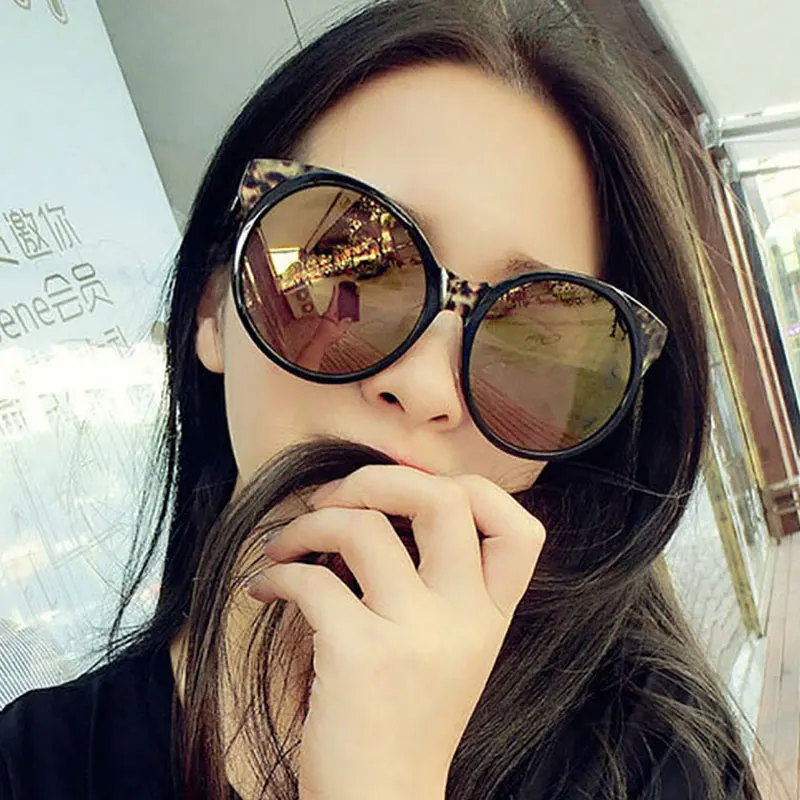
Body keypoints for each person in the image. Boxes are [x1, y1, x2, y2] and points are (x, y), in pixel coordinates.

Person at [0, 0, 765, 797]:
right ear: (213, 310)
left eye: (536, 341)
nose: (425, 386)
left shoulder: (655, 757)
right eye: (347, 269)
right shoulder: (30, 768)